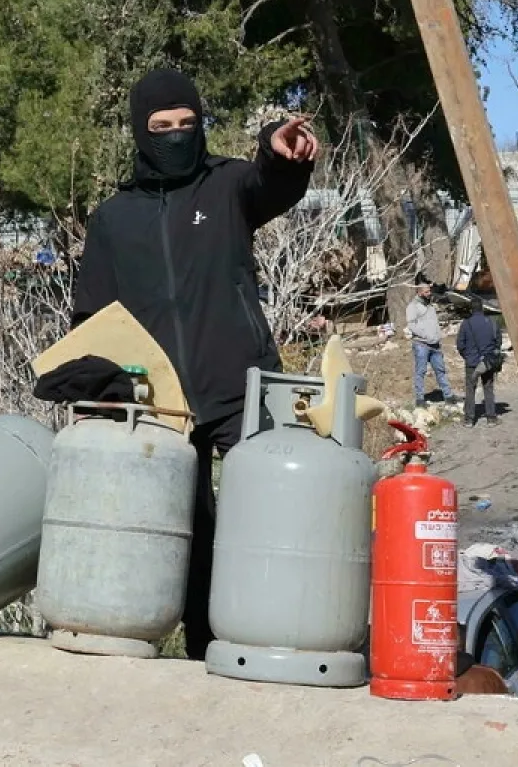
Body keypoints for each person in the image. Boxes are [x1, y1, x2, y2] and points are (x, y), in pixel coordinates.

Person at [72, 68, 317, 662]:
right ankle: (203, 650)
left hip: (243, 384)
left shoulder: (228, 184)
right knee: (189, 532)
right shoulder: (113, 218)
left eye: (187, 124)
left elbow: (272, 183)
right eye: (161, 127)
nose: (176, 135)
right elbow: (91, 314)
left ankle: (275, 637)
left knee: (265, 516)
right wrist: (101, 385)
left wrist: (280, 154)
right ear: (140, 131)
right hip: (161, 403)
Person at [406, 280, 458, 407]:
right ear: (419, 292)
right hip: (421, 344)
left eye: (429, 291)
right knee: (421, 371)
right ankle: (420, 398)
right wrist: (426, 335)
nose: (429, 293)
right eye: (426, 292)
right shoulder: (413, 307)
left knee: (441, 370)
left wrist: (438, 335)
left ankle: (448, 395)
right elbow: (411, 324)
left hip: (435, 344)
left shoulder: (430, 306)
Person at [456, 295, 501, 427]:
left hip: (471, 362)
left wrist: (467, 356)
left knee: (470, 389)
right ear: (482, 308)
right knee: (488, 388)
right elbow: (498, 342)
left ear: (471, 309)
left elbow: (460, 345)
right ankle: (491, 418)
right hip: (487, 362)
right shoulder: (492, 322)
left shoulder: (466, 323)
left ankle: (469, 419)